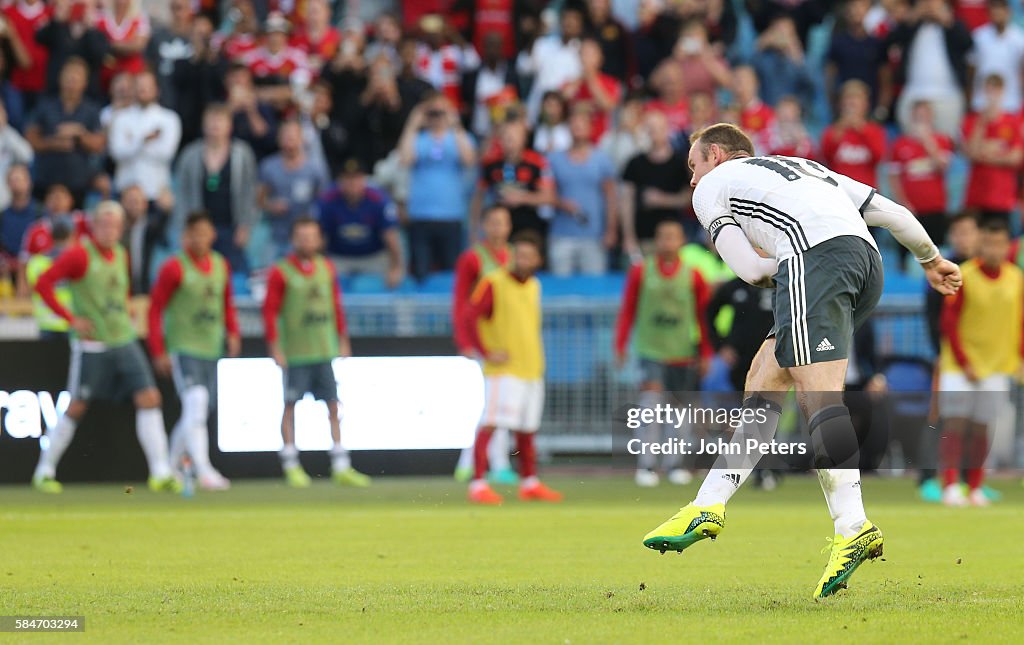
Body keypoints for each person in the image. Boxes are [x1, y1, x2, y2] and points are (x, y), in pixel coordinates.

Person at [641, 123, 962, 599]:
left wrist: (789, 268)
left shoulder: (713, 186)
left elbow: (749, 271)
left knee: (818, 395)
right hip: (867, 266)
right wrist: (931, 259)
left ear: (714, 155)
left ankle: (853, 526)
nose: (692, 180)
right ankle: (707, 504)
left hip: (814, 261)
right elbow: (893, 213)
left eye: (693, 166)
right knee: (765, 376)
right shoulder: (809, 169)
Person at [30, 201, 180, 494]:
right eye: (105, 224)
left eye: (116, 225)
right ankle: (44, 470)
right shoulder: (79, 256)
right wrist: (70, 318)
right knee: (76, 405)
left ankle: (160, 472)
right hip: (93, 345)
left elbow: (118, 290)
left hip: (123, 338)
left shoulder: (121, 254)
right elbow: (43, 283)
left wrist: (125, 308)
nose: (110, 230)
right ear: (94, 226)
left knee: (150, 397)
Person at [262, 216, 371, 488]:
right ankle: (290, 463)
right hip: (296, 352)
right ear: (293, 240)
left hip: (323, 350)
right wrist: (275, 346)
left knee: (333, 405)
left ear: (319, 240)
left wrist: (342, 339)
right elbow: (270, 311)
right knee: (290, 407)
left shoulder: (326, 268)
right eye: (301, 236)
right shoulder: (281, 271)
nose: (307, 241)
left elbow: (336, 305)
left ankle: (341, 464)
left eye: (311, 236)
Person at [460, 230, 563, 504]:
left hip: (532, 368)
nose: (523, 260)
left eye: (529, 255)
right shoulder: (494, 282)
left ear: (538, 259)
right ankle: (478, 483)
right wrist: (485, 352)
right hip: (504, 371)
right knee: (492, 423)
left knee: (527, 429)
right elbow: (470, 315)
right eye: (519, 254)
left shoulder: (534, 286)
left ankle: (529, 482)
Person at [615, 220, 713, 487]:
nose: (668, 242)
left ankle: (674, 464)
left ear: (681, 241)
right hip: (650, 349)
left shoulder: (693, 275)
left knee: (678, 413)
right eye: (663, 236)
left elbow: (703, 318)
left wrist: (705, 352)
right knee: (650, 407)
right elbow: (627, 309)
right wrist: (620, 345)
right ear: (657, 241)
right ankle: (646, 465)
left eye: (673, 236)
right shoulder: (640, 271)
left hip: (681, 352)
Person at [147, 211, 240, 492]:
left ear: (212, 235)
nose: (200, 238)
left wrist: (233, 332)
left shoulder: (221, 265)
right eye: (194, 233)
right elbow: (155, 309)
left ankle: (170, 467)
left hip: (210, 347)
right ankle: (204, 470)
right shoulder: (174, 267)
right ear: (185, 237)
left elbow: (227, 303)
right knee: (197, 402)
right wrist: (159, 349)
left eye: (205, 232)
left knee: (194, 411)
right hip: (183, 346)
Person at [937, 218, 1021, 506]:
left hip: (996, 366)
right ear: (979, 244)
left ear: (1008, 246)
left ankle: (975, 487)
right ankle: (949, 485)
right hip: (960, 366)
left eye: (999, 244)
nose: (993, 249)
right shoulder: (965, 276)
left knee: (983, 428)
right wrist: (964, 361)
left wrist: (1019, 357)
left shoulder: (1016, 278)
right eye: (987, 243)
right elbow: (948, 322)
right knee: (956, 425)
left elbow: (1019, 322)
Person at [451, 204, 516, 484]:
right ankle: (491, 463)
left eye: (502, 222)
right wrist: (465, 341)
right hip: (484, 342)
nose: (497, 228)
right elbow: (460, 302)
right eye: (492, 222)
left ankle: (473, 461)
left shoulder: (514, 257)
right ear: (483, 226)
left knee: (499, 405)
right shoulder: (472, 259)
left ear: (509, 226)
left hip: (507, 342)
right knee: (493, 406)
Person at [398, 93, 476, 280]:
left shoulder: (458, 137)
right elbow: (405, 159)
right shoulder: (419, 138)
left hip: (450, 215)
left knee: (452, 274)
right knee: (420, 273)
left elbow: (469, 159)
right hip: (421, 215)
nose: (437, 117)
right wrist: (412, 124)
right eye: (432, 112)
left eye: (441, 112)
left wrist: (455, 123)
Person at [173, 103, 259, 275]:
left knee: (235, 274)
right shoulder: (190, 155)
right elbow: (181, 194)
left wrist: (245, 225)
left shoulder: (242, 154)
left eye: (220, 121)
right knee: (199, 273)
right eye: (211, 121)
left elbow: (250, 192)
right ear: (203, 125)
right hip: (199, 228)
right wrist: (185, 229)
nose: (215, 126)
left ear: (230, 125)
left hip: (231, 226)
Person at [24, 57, 106, 204]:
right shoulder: (45, 105)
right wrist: (54, 143)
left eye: (77, 77)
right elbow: (30, 138)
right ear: (60, 78)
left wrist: (79, 134)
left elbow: (99, 145)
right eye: (69, 76)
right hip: (46, 181)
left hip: (79, 184)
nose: (72, 80)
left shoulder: (92, 110)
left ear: (85, 83)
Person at [547, 108, 617, 276]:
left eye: (582, 123)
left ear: (590, 128)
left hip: (594, 235)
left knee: (594, 289)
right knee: (561, 290)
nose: (577, 127)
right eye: (573, 123)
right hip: (561, 234)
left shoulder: (601, 159)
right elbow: (545, 194)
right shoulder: (554, 159)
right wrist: (560, 203)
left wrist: (611, 230)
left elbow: (611, 197)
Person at [316, 158, 404, 287]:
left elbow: (391, 237)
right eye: (347, 178)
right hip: (338, 257)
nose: (352, 183)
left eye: (356, 178)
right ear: (340, 181)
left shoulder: (379, 200)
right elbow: (319, 238)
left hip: (373, 257)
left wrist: (395, 268)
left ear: (364, 179)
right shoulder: (328, 200)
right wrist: (316, 268)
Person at [887, 100, 954, 265]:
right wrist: (903, 203)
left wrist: (928, 142)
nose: (921, 120)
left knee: (937, 255)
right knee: (907, 254)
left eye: (925, 115)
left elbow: (942, 166)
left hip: (935, 207)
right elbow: (894, 178)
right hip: (910, 210)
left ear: (932, 117)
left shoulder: (942, 140)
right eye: (918, 116)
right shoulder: (900, 144)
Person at [621, 111, 692, 259]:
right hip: (644, 237)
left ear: (667, 130)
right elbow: (626, 202)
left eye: (659, 128)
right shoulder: (635, 163)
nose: (655, 134)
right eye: (650, 129)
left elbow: (689, 198)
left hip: (674, 238)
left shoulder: (680, 163)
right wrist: (629, 237)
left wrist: (663, 200)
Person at [258, 118, 329, 262]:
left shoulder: (315, 168)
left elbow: (324, 201)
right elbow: (259, 200)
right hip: (276, 234)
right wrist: (271, 206)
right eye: (285, 135)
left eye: (293, 135)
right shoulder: (268, 166)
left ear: (302, 139)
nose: (289, 139)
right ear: (279, 139)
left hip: (305, 238)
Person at [108, 70, 182, 200]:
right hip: (125, 189)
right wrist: (144, 140)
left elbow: (166, 154)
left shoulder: (169, 118)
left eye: (147, 86)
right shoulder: (120, 117)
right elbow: (117, 153)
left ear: (157, 90)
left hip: (155, 190)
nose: (143, 90)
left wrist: (132, 142)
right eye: (139, 86)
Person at [961, 74, 1022, 226]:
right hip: (976, 195)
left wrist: (985, 153)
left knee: (998, 242)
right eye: (988, 91)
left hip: (1002, 197)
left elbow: (1016, 157)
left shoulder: (1012, 121)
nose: (991, 96)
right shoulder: (972, 120)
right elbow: (971, 153)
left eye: (995, 91)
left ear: (1002, 92)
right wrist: (982, 123)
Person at [820, 80, 887, 189]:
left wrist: (862, 129)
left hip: (867, 191)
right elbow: (826, 159)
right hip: (839, 190)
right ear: (841, 104)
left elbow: (878, 157)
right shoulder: (832, 130)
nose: (852, 103)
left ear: (865, 104)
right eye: (848, 99)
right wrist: (839, 131)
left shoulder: (875, 130)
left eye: (856, 99)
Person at [25, 218, 73, 339]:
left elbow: (32, 288)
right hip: (70, 322)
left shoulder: (36, 262)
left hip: (46, 323)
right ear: (71, 236)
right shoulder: (76, 261)